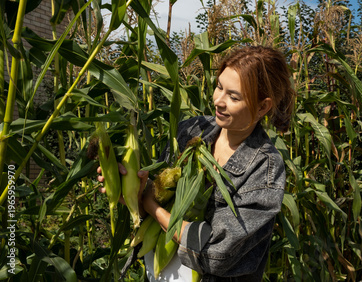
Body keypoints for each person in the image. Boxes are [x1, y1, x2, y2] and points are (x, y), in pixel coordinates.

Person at [98, 45, 296, 281]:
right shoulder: (191, 130)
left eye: (233, 97)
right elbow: (157, 210)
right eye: (219, 87)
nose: (218, 101)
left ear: (263, 106)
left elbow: (216, 252)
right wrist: (134, 194)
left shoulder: (264, 169)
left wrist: (152, 206)